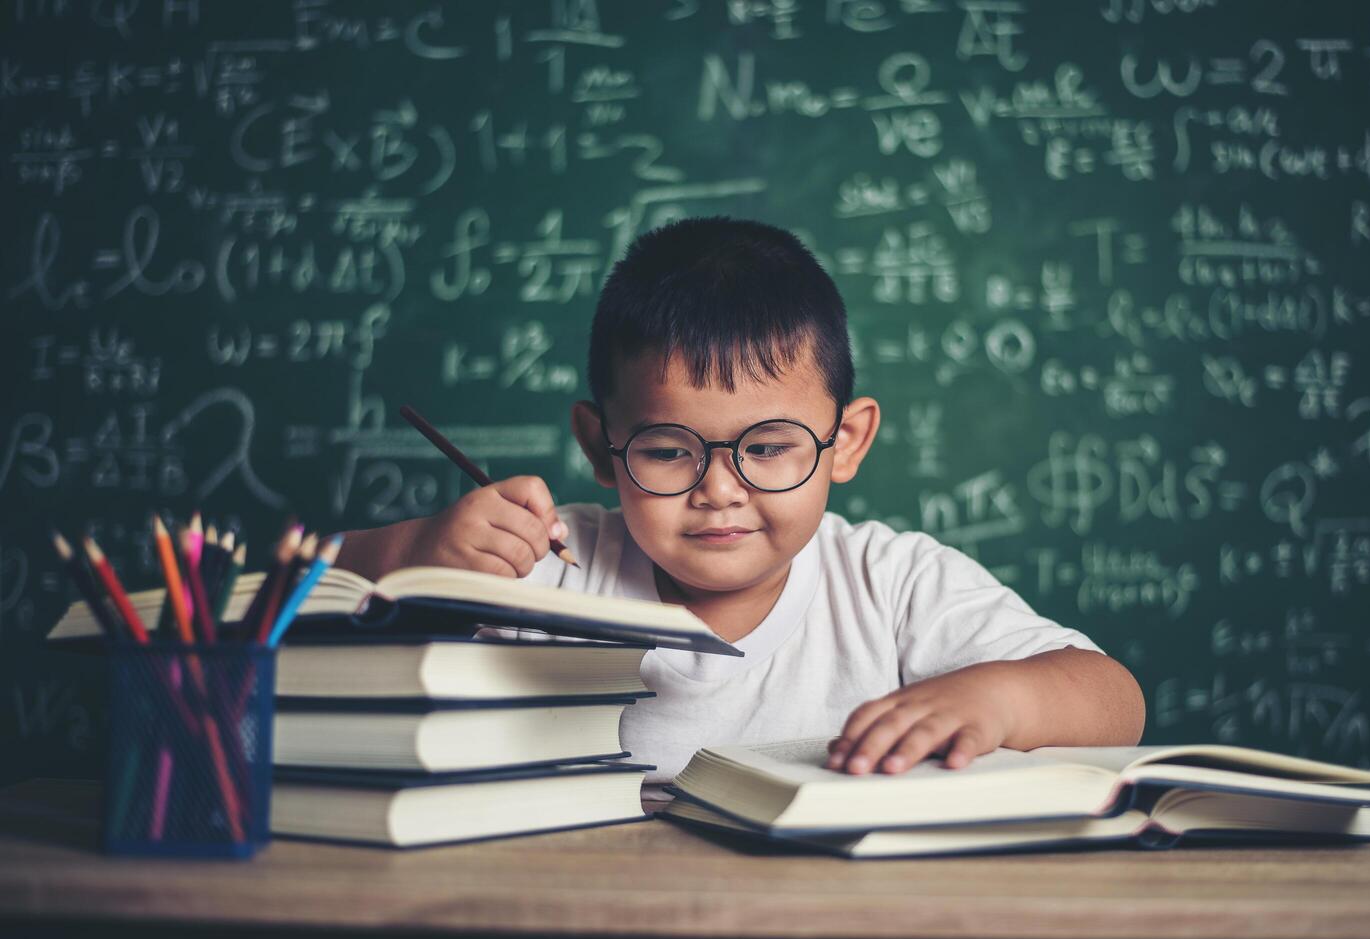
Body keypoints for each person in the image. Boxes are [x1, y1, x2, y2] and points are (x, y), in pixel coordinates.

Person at [338, 216, 1145, 794]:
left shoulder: (889, 583)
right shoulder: (540, 565)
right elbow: (273, 599)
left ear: (847, 440)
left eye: (766, 448)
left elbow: (1114, 700)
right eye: (666, 451)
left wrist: (995, 697)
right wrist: (407, 558)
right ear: (598, 447)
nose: (719, 490)